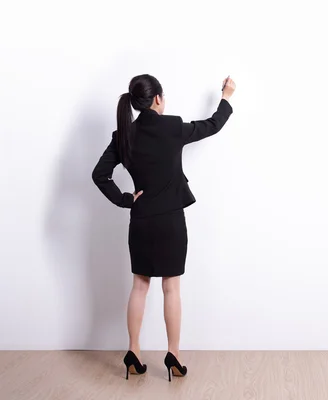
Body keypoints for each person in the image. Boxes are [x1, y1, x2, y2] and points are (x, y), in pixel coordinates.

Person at [91, 74, 236, 381]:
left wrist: (126, 199)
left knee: (139, 286)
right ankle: (173, 355)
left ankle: (133, 351)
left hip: (141, 220)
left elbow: (99, 175)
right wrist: (226, 97)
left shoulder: (124, 136)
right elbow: (212, 125)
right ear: (157, 98)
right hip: (170, 219)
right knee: (171, 287)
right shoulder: (171, 127)